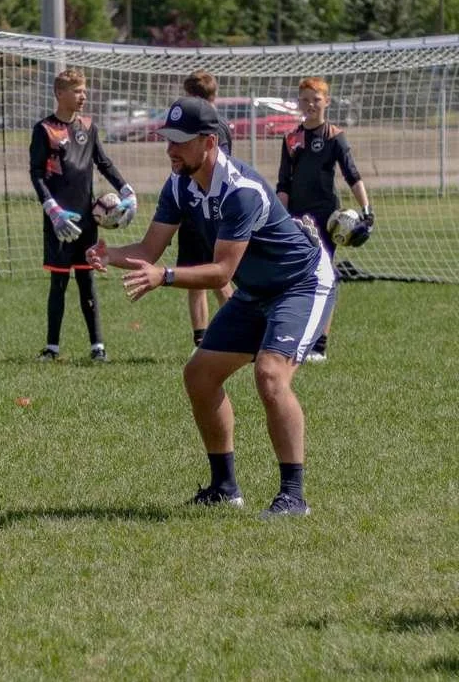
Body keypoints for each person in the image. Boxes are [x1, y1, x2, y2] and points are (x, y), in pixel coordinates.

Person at [86, 97, 336, 518]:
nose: (171, 150)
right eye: (168, 140)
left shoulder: (241, 191)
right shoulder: (180, 184)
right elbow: (149, 248)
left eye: (181, 142)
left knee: (271, 375)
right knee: (199, 376)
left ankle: (293, 497)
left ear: (209, 141)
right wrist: (109, 255)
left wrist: (162, 276)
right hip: (256, 292)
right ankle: (225, 488)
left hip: (302, 285)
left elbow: (221, 273)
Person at [29, 68, 137, 363]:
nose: (83, 96)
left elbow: (103, 162)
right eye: (77, 91)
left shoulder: (88, 126)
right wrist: (52, 210)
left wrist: (127, 190)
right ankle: (51, 348)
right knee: (59, 283)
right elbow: (36, 174)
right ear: (60, 94)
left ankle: (97, 346)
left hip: (87, 221)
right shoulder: (44, 130)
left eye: (84, 90)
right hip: (60, 223)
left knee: (87, 281)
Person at [277, 76, 373, 363]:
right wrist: (280, 218)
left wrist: (366, 210)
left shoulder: (334, 136)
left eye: (316, 99)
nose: (310, 105)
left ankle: (319, 345)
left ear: (326, 102)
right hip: (295, 217)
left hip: (327, 219)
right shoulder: (291, 138)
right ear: (299, 102)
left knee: (324, 277)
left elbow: (352, 175)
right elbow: (283, 183)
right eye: (305, 99)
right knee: (293, 277)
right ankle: (291, 338)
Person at [180, 70, 235, 348]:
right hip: (193, 209)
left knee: (216, 276)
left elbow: (215, 169)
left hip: (210, 212)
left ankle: (242, 331)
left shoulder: (215, 126)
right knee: (194, 277)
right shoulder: (203, 123)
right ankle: (200, 339)